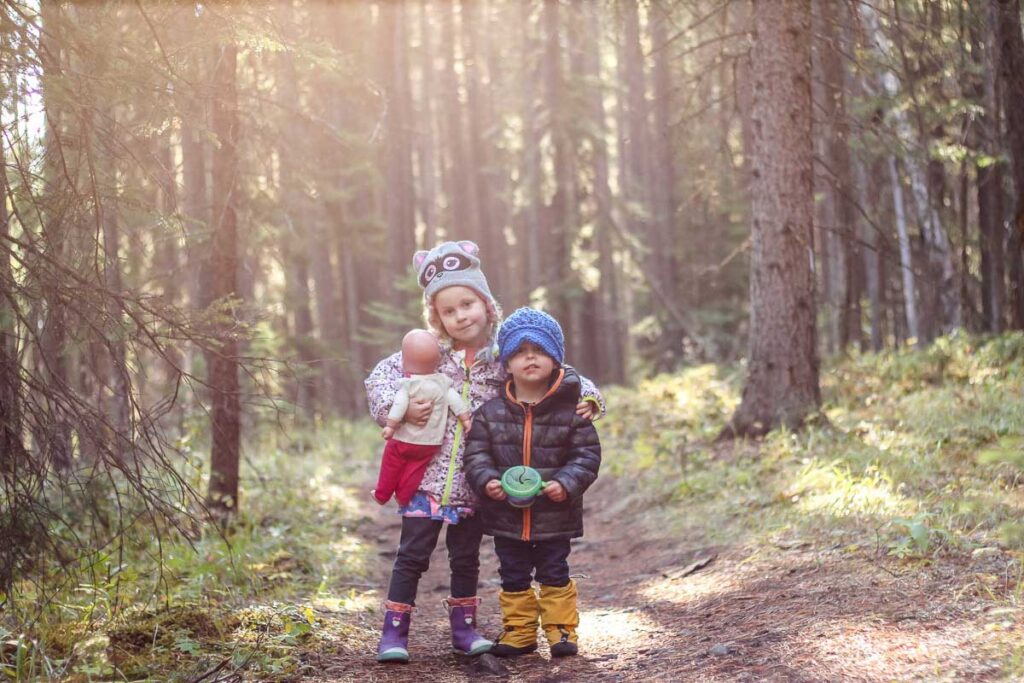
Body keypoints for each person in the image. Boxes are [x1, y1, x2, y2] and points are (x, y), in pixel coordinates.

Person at [364, 240, 605, 663]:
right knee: (412, 555)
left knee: (466, 558)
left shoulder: (503, 357)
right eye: (448, 310)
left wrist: (591, 398)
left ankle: (465, 628)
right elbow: (380, 380)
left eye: (467, 304)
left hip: (479, 481)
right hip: (427, 479)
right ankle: (394, 633)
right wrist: (397, 410)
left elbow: (560, 375)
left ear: (486, 303)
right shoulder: (429, 356)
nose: (461, 316)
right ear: (436, 318)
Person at [463, 307, 601, 658]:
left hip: (556, 514)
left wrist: (566, 484)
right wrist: (488, 481)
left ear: (555, 360)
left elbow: (586, 457)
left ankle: (561, 631)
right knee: (512, 572)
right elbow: (476, 456)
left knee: (555, 570)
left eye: (539, 350)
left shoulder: (574, 412)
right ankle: (520, 631)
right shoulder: (490, 414)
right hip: (506, 516)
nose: (530, 358)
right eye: (520, 352)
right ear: (506, 364)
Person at [373, 329, 472, 507]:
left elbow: (399, 405)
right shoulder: (442, 382)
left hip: (405, 439)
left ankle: (382, 494)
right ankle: (403, 497)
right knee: (415, 470)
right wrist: (465, 419)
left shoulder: (408, 384)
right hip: (430, 443)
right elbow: (456, 401)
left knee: (392, 462)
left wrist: (391, 425)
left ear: (404, 361)